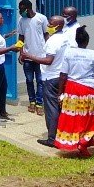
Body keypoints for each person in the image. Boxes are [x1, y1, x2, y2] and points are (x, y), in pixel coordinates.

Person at [54, 27, 94, 156]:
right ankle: (83, 142)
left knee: (74, 118)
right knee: (92, 117)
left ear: (76, 40)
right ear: (87, 41)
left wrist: (60, 93)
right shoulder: (93, 54)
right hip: (89, 90)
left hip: (72, 90)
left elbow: (63, 75)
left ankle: (74, 143)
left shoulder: (69, 53)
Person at [22, 14, 71, 148]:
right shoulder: (66, 38)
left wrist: (29, 56)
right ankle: (62, 134)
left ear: (58, 26)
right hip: (63, 76)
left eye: (51, 24)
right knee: (61, 107)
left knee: (51, 109)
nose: (48, 26)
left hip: (51, 78)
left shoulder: (53, 41)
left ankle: (52, 138)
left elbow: (48, 61)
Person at [17, 0, 48, 115]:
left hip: (40, 56)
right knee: (29, 80)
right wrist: (21, 53)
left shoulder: (41, 18)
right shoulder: (21, 20)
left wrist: (48, 51)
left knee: (40, 80)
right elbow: (21, 37)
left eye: (21, 9)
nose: (20, 11)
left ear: (28, 9)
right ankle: (32, 102)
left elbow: (46, 34)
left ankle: (40, 104)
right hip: (27, 57)